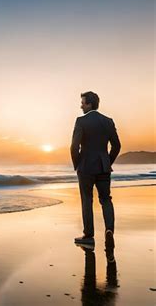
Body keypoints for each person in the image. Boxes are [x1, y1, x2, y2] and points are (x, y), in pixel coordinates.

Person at [70, 91, 121, 246]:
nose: (81, 105)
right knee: (106, 199)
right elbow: (117, 146)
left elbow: (74, 147)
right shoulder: (108, 121)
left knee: (87, 200)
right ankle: (109, 230)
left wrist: (77, 164)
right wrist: (107, 162)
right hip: (103, 167)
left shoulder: (81, 121)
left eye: (83, 102)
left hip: (86, 167)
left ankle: (88, 236)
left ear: (90, 104)